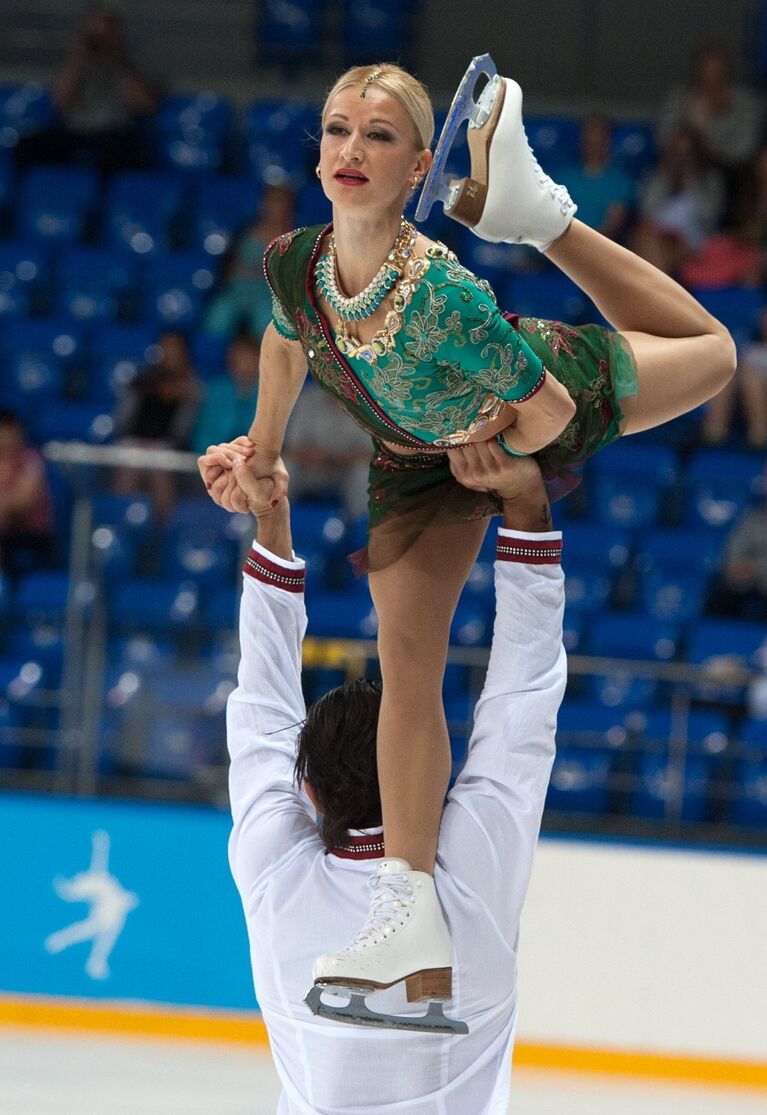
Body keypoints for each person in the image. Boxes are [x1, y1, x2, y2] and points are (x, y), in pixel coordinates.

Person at [205, 60, 735, 1024]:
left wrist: (505, 459)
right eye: (335, 131)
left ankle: (543, 221)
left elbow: (550, 413)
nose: (349, 151)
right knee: (405, 667)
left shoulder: (445, 300)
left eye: (377, 136)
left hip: (522, 397)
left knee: (713, 355)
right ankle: (407, 913)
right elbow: (289, 335)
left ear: (417, 170)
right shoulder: (293, 259)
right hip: (409, 458)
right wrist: (266, 451)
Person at [199, 439, 567, 1108]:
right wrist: (524, 505)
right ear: (431, 768)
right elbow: (523, 703)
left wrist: (271, 522)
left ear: (306, 788)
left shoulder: (278, 877)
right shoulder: (471, 873)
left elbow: (259, 704)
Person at [15, 3, 159, 174]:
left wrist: (115, 59)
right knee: (28, 148)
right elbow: (60, 103)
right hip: (74, 131)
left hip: (114, 133)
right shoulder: (76, 62)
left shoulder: (130, 65)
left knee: (127, 155)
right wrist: (78, 60)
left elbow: (146, 106)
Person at [113, 331, 200, 518]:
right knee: (129, 462)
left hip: (168, 447)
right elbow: (124, 418)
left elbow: (185, 429)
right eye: (165, 347)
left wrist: (184, 393)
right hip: (135, 442)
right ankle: (120, 523)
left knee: (161, 467)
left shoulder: (192, 387)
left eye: (173, 348)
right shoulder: (143, 381)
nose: (169, 352)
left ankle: (163, 530)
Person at [202, 185, 296, 340]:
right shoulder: (245, 231)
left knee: (266, 319)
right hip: (238, 289)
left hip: (269, 295)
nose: (274, 207)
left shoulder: (294, 236)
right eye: (270, 201)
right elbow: (229, 267)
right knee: (219, 314)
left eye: (280, 202)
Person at [632, 125, 725, 276]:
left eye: (688, 153)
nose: (682, 159)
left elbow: (709, 216)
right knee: (646, 241)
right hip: (659, 238)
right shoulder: (658, 178)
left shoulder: (711, 181)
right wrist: (667, 178)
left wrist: (691, 180)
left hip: (693, 243)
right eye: (678, 153)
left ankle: (652, 293)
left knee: (650, 249)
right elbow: (648, 212)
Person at [658, 45, 763, 176]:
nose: (709, 79)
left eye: (717, 72)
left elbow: (743, 152)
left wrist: (705, 131)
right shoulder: (678, 99)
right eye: (703, 71)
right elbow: (663, 139)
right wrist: (690, 131)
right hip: (682, 173)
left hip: (733, 176)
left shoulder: (747, 103)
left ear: (727, 73)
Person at [283, 380, 371, 519]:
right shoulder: (308, 398)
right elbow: (290, 448)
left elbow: (372, 455)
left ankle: (361, 532)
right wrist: (314, 457)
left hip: (346, 474)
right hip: (311, 470)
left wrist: (340, 460)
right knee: (286, 468)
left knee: (364, 474)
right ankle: (271, 524)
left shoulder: (368, 404)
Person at [558, 115, 633, 241]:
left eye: (598, 139)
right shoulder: (563, 176)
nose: (593, 145)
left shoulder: (620, 182)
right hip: (559, 245)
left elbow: (612, 226)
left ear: (608, 142)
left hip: (596, 248)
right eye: (589, 139)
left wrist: (581, 245)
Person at [707, 463, 767, 620]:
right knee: (720, 597)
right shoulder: (751, 520)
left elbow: (748, 568)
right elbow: (732, 570)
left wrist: (755, 567)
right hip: (754, 595)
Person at [703, 309, 767, 449]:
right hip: (743, 387)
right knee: (727, 375)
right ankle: (713, 436)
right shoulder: (753, 351)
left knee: (751, 378)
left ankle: (760, 436)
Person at [0, 410, 54, 574]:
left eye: (10, 431)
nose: (6, 437)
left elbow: (24, 500)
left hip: (28, 535)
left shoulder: (31, 460)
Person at [191, 336, 260, 456]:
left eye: (248, 357)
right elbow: (205, 432)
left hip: (254, 457)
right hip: (216, 455)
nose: (244, 363)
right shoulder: (215, 390)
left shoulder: (267, 391)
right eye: (239, 357)